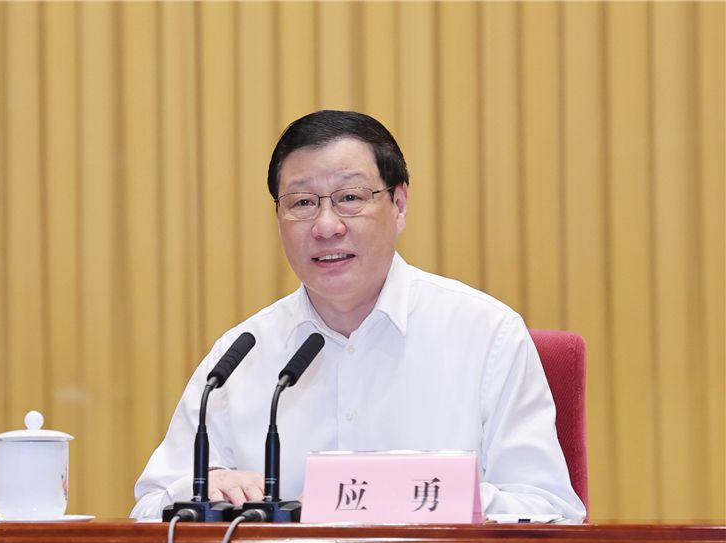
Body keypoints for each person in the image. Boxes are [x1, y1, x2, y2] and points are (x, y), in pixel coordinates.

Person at [130, 110, 586, 520]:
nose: (326, 226)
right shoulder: (241, 356)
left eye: (350, 197)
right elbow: (149, 507)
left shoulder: (487, 335)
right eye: (302, 203)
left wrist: (411, 495)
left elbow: (549, 509)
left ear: (399, 205)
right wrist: (204, 489)